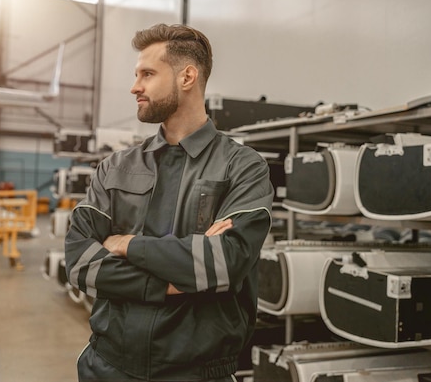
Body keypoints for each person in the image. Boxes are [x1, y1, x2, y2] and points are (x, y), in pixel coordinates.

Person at [64, 23, 274, 382]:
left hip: (196, 373)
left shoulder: (242, 168)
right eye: (136, 75)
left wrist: (125, 244)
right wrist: (171, 281)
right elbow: (79, 263)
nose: (135, 87)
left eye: (147, 74)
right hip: (106, 367)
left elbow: (224, 264)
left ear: (187, 77)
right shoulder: (115, 167)